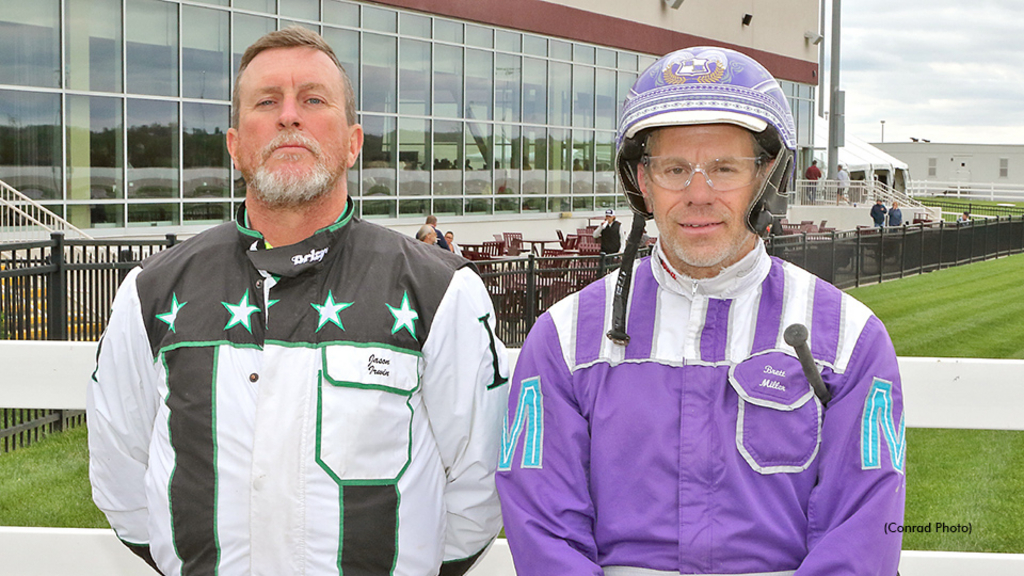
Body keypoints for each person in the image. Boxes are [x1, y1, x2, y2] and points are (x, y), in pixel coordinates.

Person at [87, 27, 508, 576]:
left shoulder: (440, 291)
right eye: (267, 101)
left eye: (313, 99)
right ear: (236, 144)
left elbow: (481, 481)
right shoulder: (152, 292)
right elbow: (122, 478)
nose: (290, 116)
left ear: (353, 142)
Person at [497, 46, 905, 576]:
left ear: (766, 179)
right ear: (642, 182)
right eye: (674, 169)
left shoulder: (852, 339)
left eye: (724, 169)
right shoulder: (563, 339)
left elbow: (864, 532)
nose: (698, 194)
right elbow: (544, 529)